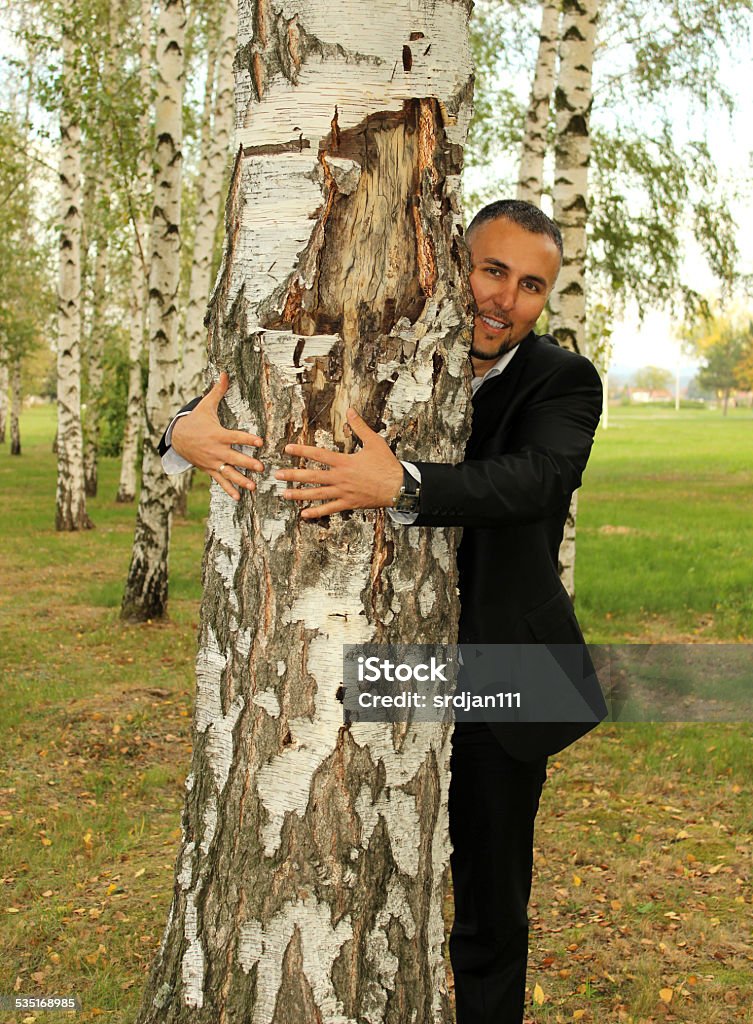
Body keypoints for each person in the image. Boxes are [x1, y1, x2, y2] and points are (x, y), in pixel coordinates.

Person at [161, 200, 607, 1024]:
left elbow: (537, 481)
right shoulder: (398, 339)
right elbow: (252, 387)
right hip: (379, 659)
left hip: (502, 671)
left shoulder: (563, 379)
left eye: (531, 285)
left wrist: (401, 484)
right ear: (449, 260)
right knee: (350, 877)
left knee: (486, 906)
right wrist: (175, 431)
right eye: (492, 269)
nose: (504, 299)